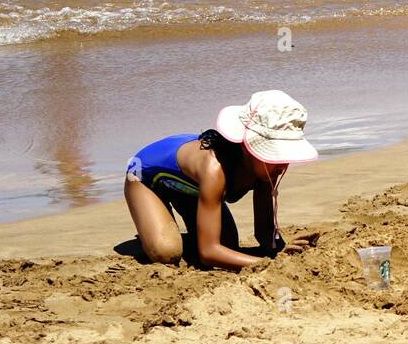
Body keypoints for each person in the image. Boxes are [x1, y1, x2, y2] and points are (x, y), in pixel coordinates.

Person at [124, 90, 319, 268]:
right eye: (274, 154)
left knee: (228, 245)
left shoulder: (268, 168)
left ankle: (174, 231)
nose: (281, 164)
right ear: (246, 148)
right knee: (167, 253)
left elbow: (264, 232)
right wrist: (268, 265)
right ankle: (152, 233)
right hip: (145, 176)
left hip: (190, 185)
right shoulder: (215, 170)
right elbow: (209, 253)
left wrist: (281, 251)